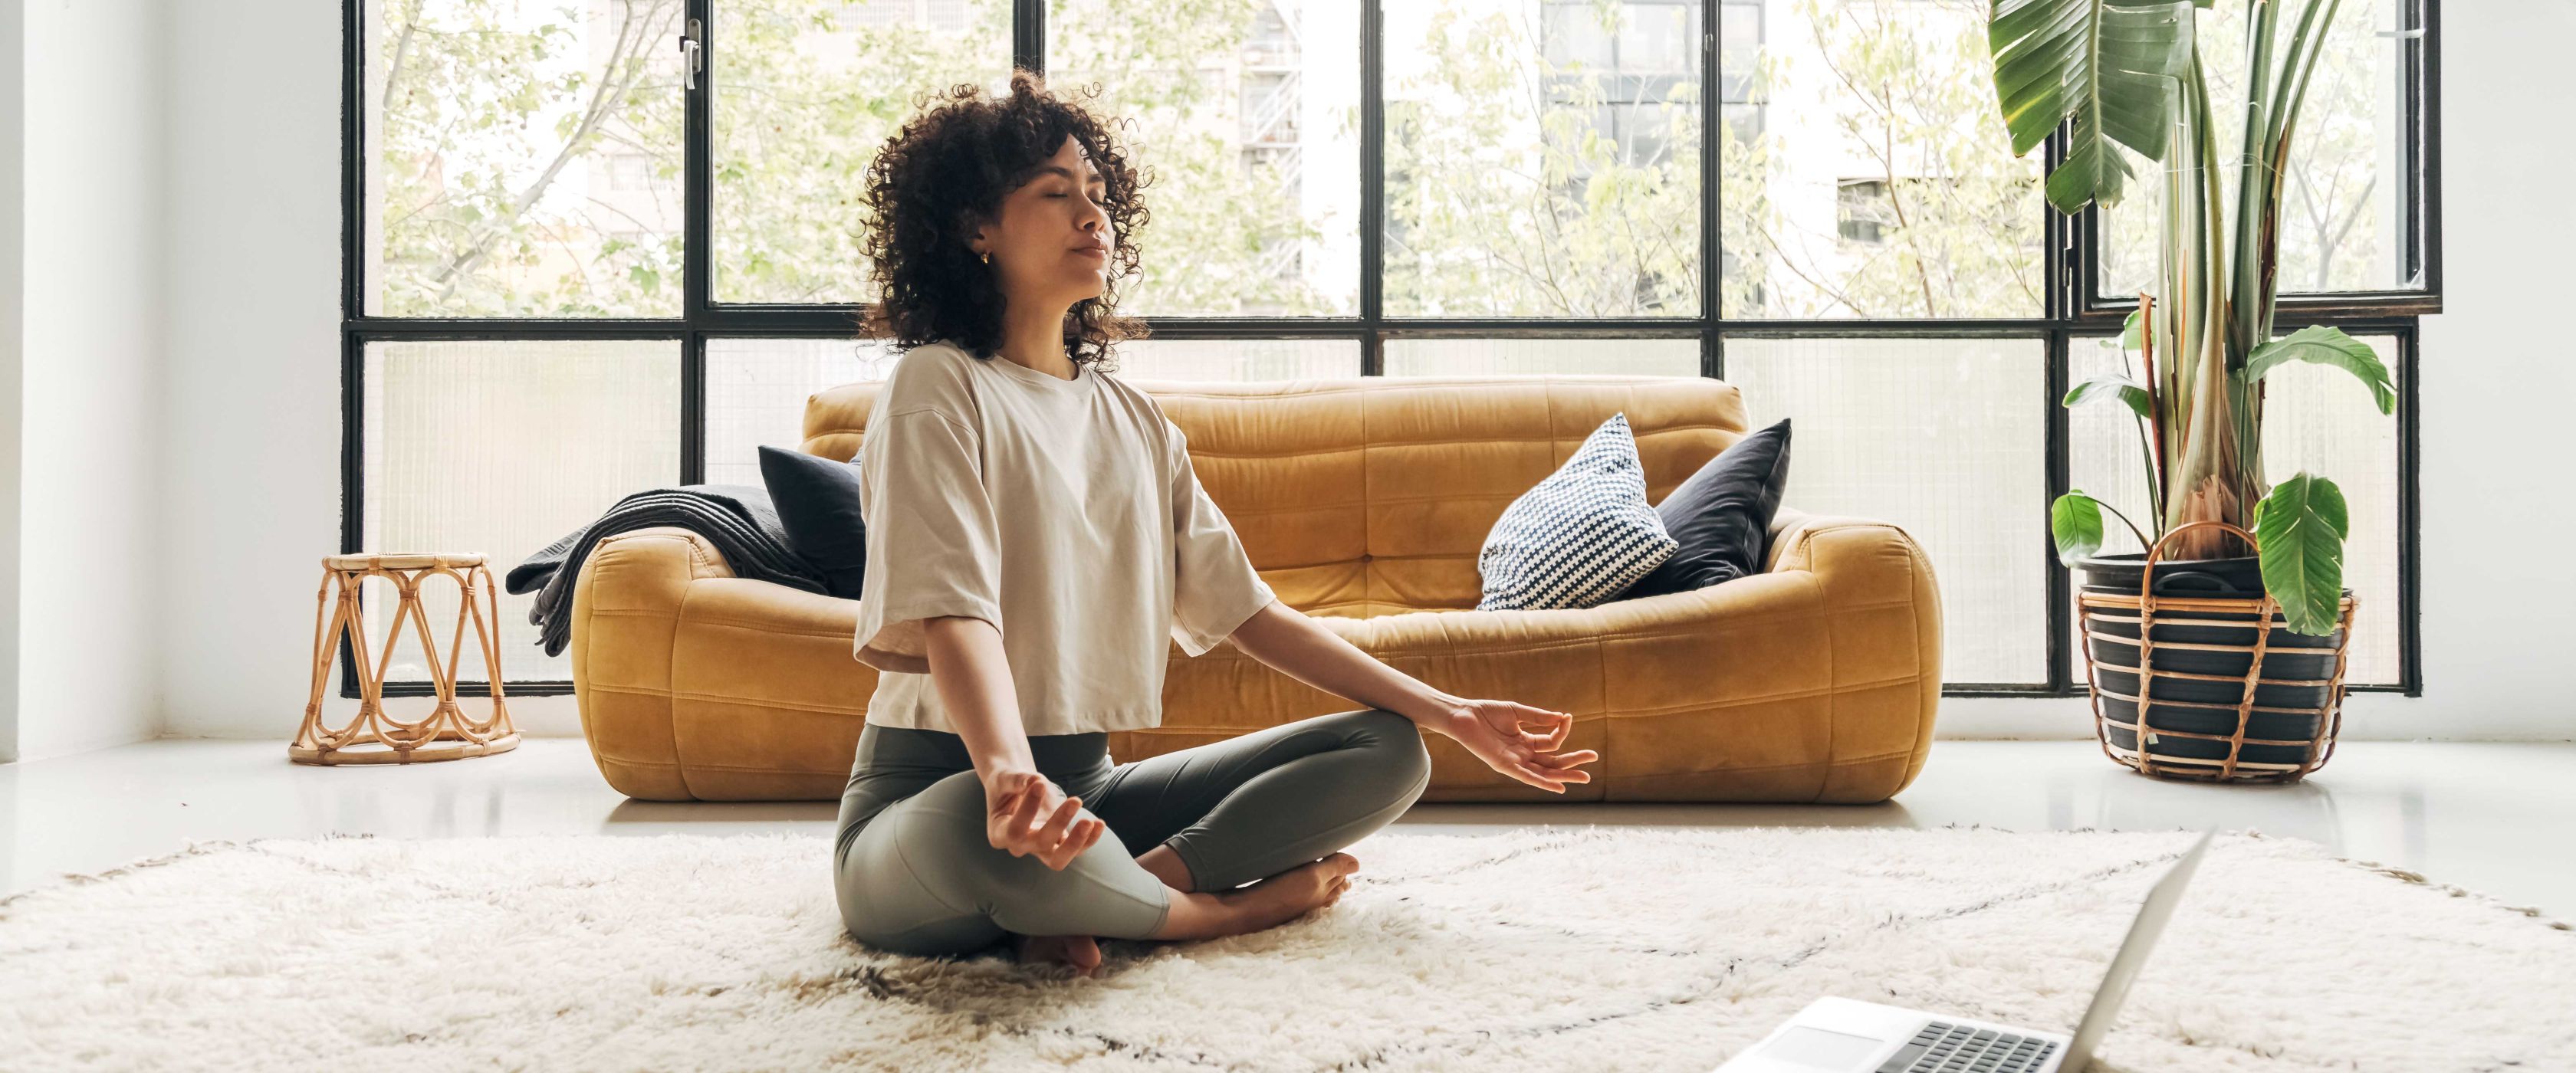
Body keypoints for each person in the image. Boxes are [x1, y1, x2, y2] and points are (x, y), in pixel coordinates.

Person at [833, 70, 1598, 977]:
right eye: (1055, 192)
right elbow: (955, 610)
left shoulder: (1137, 422)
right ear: (975, 228)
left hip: (1089, 792)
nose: (1094, 215)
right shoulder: (939, 384)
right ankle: (1208, 913)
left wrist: (1451, 709)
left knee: (1388, 747)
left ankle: (1124, 885)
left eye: (1099, 194)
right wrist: (1005, 773)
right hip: (936, 793)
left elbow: (1251, 614)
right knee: (981, 831)